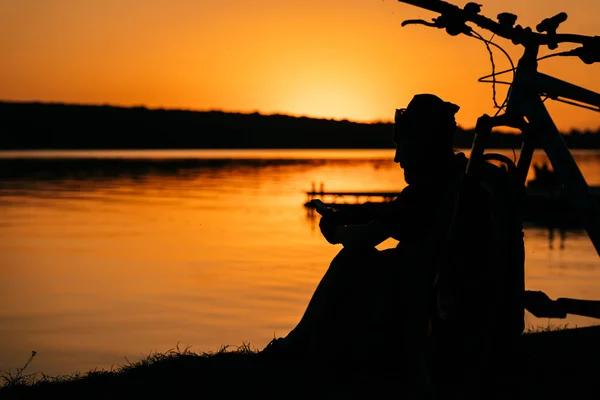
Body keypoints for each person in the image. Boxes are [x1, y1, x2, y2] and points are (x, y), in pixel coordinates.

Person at [260, 94, 519, 395]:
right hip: (469, 296)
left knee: (350, 261)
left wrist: (336, 230)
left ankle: (296, 347)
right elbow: (393, 215)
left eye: (401, 147)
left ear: (422, 144)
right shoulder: (462, 177)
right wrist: (357, 214)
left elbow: (366, 238)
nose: (397, 159)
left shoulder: (430, 190)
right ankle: (312, 347)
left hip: (428, 297)